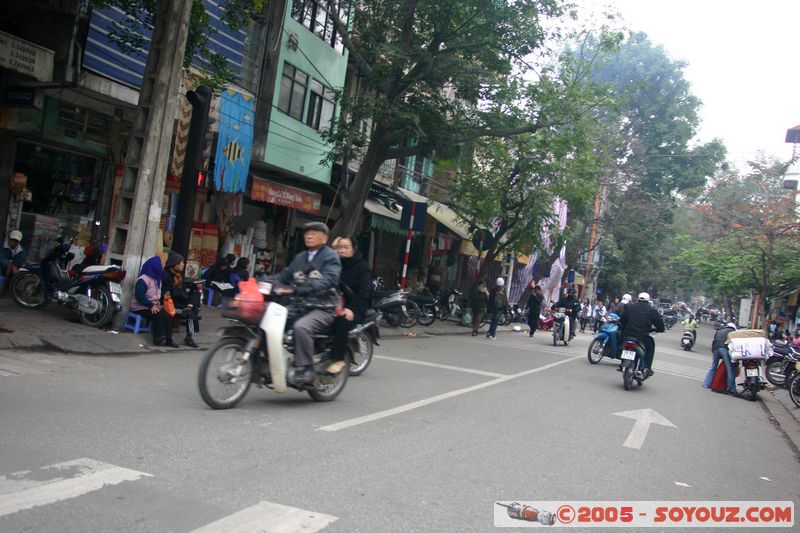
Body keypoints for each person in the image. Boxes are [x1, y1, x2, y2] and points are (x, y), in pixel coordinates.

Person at [263, 221, 341, 384]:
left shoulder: (330, 256)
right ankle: (268, 361)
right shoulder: (300, 257)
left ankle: (307, 368)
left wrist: (307, 288)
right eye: (307, 233)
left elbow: (330, 279)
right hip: (299, 305)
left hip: (323, 308)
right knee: (267, 319)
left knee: (301, 327)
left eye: (314, 233)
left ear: (325, 238)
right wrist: (260, 281)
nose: (309, 236)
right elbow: (284, 277)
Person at [330, 236, 372, 361]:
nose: (342, 250)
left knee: (342, 322)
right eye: (339, 247)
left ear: (354, 249)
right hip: (329, 303)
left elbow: (363, 292)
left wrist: (351, 309)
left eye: (346, 247)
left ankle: (336, 361)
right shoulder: (332, 264)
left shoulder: (362, 267)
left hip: (354, 306)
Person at [130, 256, 178, 347]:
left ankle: (169, 339)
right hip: (140, 306)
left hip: (153, 305)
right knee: (159, 315)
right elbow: (139, 296)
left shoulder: (157, 279)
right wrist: (151, 305)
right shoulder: (143, 279)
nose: (162, 267)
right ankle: (159, 338)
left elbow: (156, 295)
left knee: (167, 315)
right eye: (161, 264)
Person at [619, 292, 664, 377]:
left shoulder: (630, 307)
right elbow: (660, 324)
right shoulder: (652, 310)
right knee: (650, 348)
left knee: (622, 344)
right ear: (648, 300)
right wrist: (659, 329)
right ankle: (647, 368)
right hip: (642, 336)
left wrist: (625, 328)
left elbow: (622, 320)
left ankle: (622, 362)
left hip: (628, 335)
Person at [162, 251, 201, 348]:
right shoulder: (166, 275)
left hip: (182, 302)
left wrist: (189, 289)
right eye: (182, 263)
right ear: (175, 265)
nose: (183, 264)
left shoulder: (179, 275)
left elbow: (182, 291)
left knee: (197, 293)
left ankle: (189, 307)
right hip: (172, 304)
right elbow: (167, 293)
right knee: (191, 312)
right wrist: (180, 292)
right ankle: (181, 338)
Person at [703, 321, 738, 395]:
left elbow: (714, 340)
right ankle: (731, 389)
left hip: (715, 348)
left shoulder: (720, 330)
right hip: (724, 349)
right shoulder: (733, 332)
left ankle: (706, 384)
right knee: (730, 369)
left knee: (713, 366)